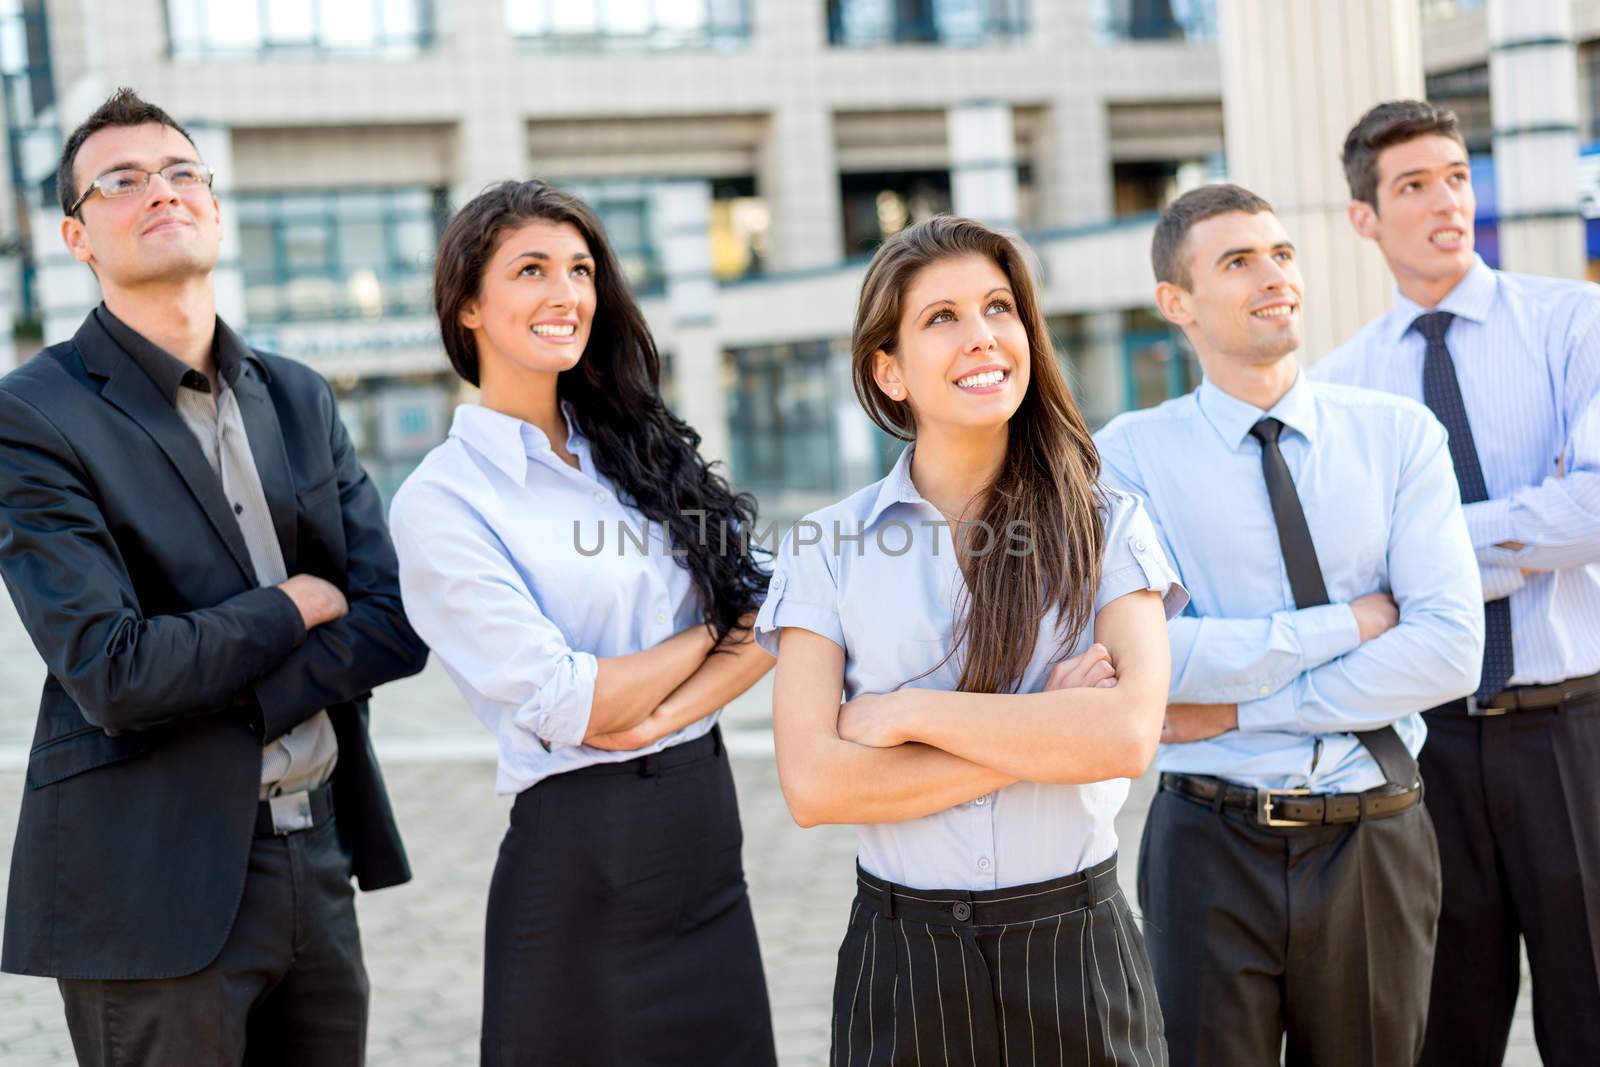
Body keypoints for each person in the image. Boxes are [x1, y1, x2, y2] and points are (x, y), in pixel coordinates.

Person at [0, 88, 428, 1065]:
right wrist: (288, 605)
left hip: (313, 855)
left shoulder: (297, 394)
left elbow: (395, 620)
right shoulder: (33, 415)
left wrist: (239, 687)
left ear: (216, 208)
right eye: (123, 181)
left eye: (183, 172)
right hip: (145, 878)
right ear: (77, 237)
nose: (162, 191)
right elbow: (113, 670)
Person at [757, 215, 1184, 1066]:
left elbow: (1126, 736)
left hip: (1077, 949)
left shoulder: (1107, 524)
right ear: (889, 368)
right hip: (904, 958)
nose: (982, 336)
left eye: (998, 307)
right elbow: (813, 784)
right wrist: (1047, 730)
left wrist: (911, 712)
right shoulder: (826, 547)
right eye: (941, 317)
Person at [1094, 184, 1485, 1066]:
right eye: (1237, 261)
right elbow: (1148, 661)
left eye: (1282, 254)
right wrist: (1345, 624)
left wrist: (1237, 709)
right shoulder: (1127, 457)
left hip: (1374, 836)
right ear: (1176, 303)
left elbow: (1451, 648)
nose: (1274, 276)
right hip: (1206, 843)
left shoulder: (1399, 436)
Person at [389, 179, 777, 1066]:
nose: (567, 294)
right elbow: (573, 705)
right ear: (470, 305)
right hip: (582, 856)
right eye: (532, 270)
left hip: (706, 836)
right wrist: (705, 637)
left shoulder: (635, 450)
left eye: (580, 269)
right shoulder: (444, 500)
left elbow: (774, 614)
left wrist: (665, 710)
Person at [1318, 99, 1600, 1067]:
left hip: (1572, 730)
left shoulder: (1575, 324)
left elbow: (1598, 510)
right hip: (1422, 744)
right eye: (1411, 185)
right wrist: (1534, 513)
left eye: (1455, 176)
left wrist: (1424, 552)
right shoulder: (1340, 389)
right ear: (1364, 217)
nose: (1444, 201)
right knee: (1437, 1025)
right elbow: (1347, 573)